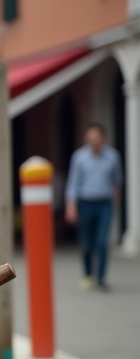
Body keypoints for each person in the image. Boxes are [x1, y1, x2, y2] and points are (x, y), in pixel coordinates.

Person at [65, 123, 124, 291]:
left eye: (95, 137)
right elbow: (73, 182)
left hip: (105, 204)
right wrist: (71, 205)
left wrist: (115, 204)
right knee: (87, 242)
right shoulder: (79, 157)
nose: (92, 140)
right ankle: (87, 272)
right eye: (89, 137)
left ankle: (101, 277)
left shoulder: (113, 156)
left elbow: (117, 182)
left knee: (102, 241)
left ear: (102, 138)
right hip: (86, 203)